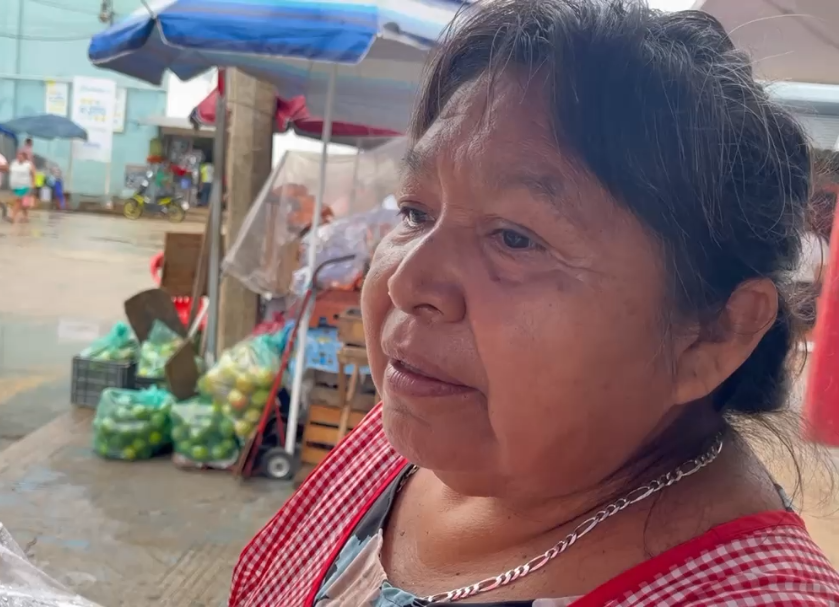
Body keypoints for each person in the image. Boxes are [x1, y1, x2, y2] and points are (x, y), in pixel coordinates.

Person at [231, 1, 839, 606]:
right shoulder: (418, 430)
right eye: (416, 212)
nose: (405, 284)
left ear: (714, 333)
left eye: (516, 238)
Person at [8, 150, 36, 224]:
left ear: (24, 157)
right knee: (23, 203)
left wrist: (33, 184)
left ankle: (12, 217)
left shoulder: (28, 164)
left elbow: (33, 174)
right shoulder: (14, 163)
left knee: (18, 200)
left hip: (25, 186)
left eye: (21, 156)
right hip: (15, 186)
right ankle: (26, 217)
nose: (19, 157)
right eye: (18, 156)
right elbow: (10, 172)